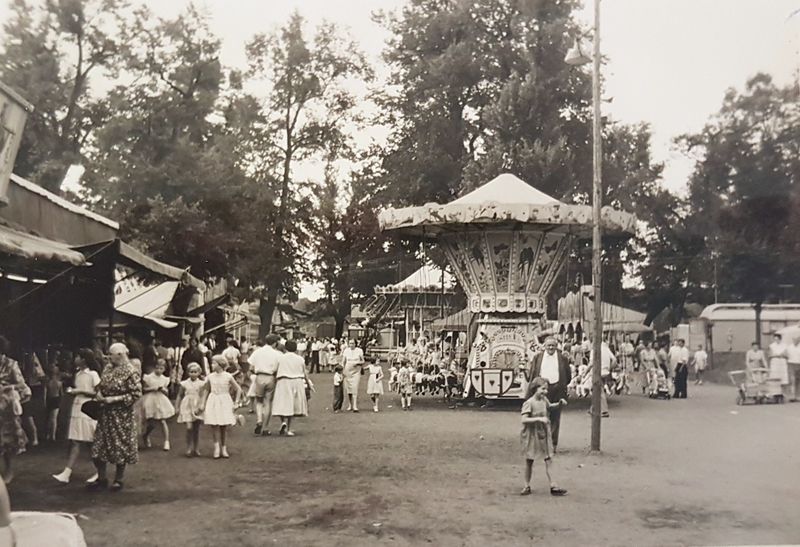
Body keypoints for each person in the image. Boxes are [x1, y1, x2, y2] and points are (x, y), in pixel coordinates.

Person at [88, 342, 142, 492]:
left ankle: (119, 479)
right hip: (105, 414)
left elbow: (136, 394)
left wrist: (114, 399)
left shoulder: (131, 371)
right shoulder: (108, 368)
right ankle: (102, 478)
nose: (108, 357)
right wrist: (99, 393)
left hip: (121, 415)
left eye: (110, 354)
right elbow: (101, 385)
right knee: (99, 447)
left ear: (120, 355)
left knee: (120, 446)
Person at [52, 349, 101, 484]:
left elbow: (98, 394)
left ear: (84, 359)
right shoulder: (78, 374)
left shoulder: (93, 374)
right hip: (77, 409)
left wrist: (80, 391)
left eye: (78, 357)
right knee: (75, 441)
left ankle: (99, 472)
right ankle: (67, 473)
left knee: (90, 442)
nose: (75, 359)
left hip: (88, 409)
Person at [519, 377, 567, 497]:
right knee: (529, 460)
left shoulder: (544, 400)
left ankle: (553, 485)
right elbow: (524, 419)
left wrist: (559, 404)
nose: (545, 391)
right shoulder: (529, 403)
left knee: (548, 459)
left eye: (546, 389)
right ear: (535, 388)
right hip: (532, 435)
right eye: (543, 389)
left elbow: (550, 407)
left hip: (543, 434)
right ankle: (526, 485)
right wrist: (539, 419)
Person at [526, 337, 571, 451]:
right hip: (541, 390)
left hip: (557, 389)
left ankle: (552, 444)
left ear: (556, 346)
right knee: (539, 415)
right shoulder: (538, 357)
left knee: (555, 417)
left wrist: (561, 386)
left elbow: (568, 376)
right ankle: (541, 442)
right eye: (548, 345)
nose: (551, 347)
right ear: (544, 346)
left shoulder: (563, 358)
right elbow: (533, 374)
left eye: (553, 345)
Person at [0, 336, 31, 484]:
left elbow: (22, 385)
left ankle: (9, 471)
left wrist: (6, 387)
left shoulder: (11, 364)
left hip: (7, 409)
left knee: (9, 442)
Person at [200, 355, 243, 459]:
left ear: (220, 364)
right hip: (213, 400)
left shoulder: (228, 376)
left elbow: (238, 389)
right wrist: (202, 403)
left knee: (223, 425)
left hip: (224, 400)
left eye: (214, 363)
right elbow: (206, 390)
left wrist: (236, 402)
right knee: (214, 424)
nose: (212, 365)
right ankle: (216, 448)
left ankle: (224, 448)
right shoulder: (210, 376)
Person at [272, 340, 312, 436]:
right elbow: (304, 373)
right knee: (292, 405)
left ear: (286, 348)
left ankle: (283, 422)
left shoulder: (280, 358)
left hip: (283, 381)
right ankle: (289, 428)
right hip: (297, 382)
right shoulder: (300, 359)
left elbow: (274, 370)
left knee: (282, 403)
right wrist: (309, 384)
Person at [248, 334, 281, 436]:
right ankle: (265, 428)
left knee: (259, 401)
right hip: (270, 377)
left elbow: (251, 367)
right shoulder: (277, 354)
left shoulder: (257, 352)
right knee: (268, 402)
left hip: (259, 376)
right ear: (274, 343)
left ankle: (259, 420)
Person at [141, 359, 175, 450]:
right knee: (152, 423)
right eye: (157, 368)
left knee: (162, 420)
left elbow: (167, 392)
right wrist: (153, 388)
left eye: (161, 368)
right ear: (154, 367)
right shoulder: (148, 377)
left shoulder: (165, 379)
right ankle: (146, 435)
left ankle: (166, 441)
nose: (159, 370)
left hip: (160, 400)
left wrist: (163, 390)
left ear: (164, 369)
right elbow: (144, 389)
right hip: (150, 400)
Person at [175, 362, 204, 456]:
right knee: (189, 428)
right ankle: (188, 447)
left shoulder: (201, 384)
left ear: (199, 373)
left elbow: (202, 396)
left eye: (195, 372)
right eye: (191, 372)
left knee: (196, 429)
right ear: (188, 372)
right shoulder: (184, 384)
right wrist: (177, 407)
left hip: (197, 406)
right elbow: (179, 395)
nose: (193, 374)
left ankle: (196, 448)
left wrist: (201, 406)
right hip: (187, 406)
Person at [341, 339, 365, 412]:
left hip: (356, 371)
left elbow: (363, 361)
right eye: (350, 343)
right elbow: (343, 361)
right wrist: (342, 371)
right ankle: (350, 404)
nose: (351, 345)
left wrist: (357, 363)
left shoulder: (359, 350)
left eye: (353, 343)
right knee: (348, 389)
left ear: (355, 344)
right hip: (347, 372)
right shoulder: (346, 351)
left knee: (355, 387)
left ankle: (355, 405)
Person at [45, 365, 64, 441]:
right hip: (56, 400)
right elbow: (61, 394)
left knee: (50, 418)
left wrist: (44, 402)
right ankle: (52, 435)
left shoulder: (48, 382)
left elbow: (45, 394)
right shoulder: (59, 383)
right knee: (53, 418)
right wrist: (61, 402)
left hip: (50, 399)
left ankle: (49, 434)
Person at [786, 336, 800, 402]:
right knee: (792, 380)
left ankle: (797, 396)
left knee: (798, 380)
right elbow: (786, 355)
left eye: (797, 339)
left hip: (799, 364)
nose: (796, 341)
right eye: (794, 339)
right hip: (791, 363)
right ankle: (791, 396)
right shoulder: (789, 347)